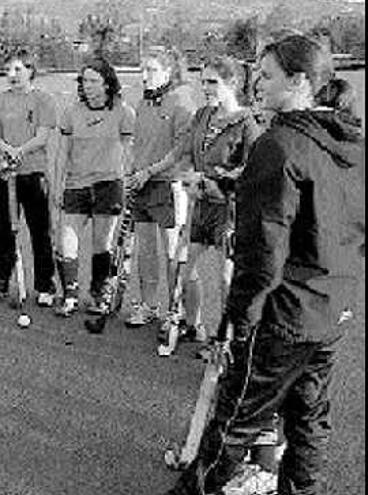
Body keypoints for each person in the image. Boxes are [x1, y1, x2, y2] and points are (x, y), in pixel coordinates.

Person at [165, 34, 365, 495]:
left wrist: (238, 320)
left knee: (234, 423)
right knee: (309, 418)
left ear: (299, 82)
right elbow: (327, 211)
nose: (257, 82)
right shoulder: (348, 141)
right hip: (331, 308)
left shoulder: (278, 144)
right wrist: (235, 191)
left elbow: (263, 254)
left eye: (268, 74)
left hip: (283, 314)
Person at [134, 56, 261, 343]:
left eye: (212, 82)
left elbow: (252, 169)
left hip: (228, 210)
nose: (205, 87)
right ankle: (191, 324)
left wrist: (217, 181)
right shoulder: (203, 115)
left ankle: (229, 339)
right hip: (199, 207)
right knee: (182, 265)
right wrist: (154, 172)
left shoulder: (246, 122)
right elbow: (180, 151)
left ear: (232, 83)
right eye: (203, 81)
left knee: (226, 280)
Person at [52, 55, 135, 318]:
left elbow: (130, 152)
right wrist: (57, 185)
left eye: (93, 81)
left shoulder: (124, 112)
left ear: (107, 84)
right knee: (66, 240)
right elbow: (62, 153)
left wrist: (131, 180)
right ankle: (71, 295)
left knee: (102, 243)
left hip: (108, 185)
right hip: (76, 184)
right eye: (84, 80)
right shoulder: (71, 112)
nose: (87, 85)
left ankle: (99, 293)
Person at [124, 46, 199, 327]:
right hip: (142, 184)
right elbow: (139, 144)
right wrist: (132, 172)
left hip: (170, 185)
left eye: (152, 70)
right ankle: (149, 305)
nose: (145, 76)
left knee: (173, 252)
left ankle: (176, 310)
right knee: (145, 250)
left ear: (168, 72)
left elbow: (181, 151)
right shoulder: (144, 103)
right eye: (143, 70)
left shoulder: (182, 103)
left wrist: (149, 172)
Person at [0, 50, 57, 307]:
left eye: (17, 70)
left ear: (30, 70)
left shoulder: (43, 100)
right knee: (5, 231)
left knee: (40, 232)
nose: (11, 75)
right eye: (8, 71)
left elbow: (42, 136)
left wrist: (20, 151)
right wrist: (7, 151)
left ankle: (45, 286)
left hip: (33, 174)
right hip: (4, 174)